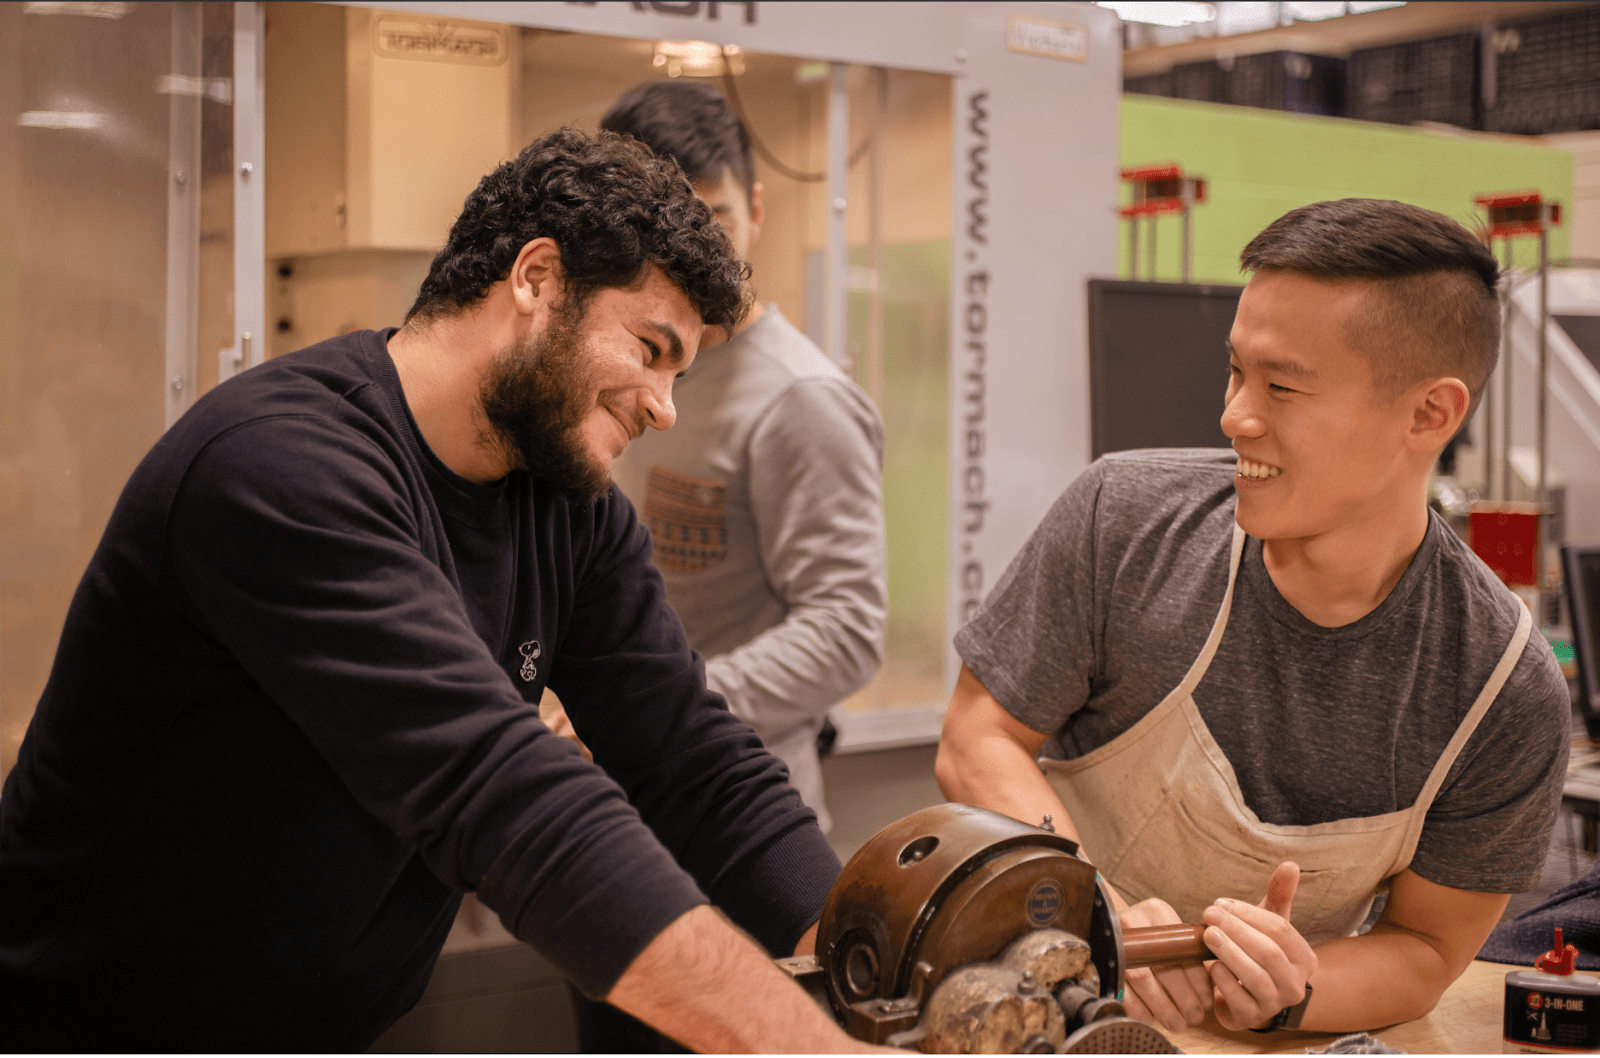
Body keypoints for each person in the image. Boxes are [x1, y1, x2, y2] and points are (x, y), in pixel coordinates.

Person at [0, 129, 869, 1053]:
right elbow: (497, 786)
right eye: (650, 350)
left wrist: (874, 966)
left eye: (679, 373)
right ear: (537, 279)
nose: (664, 405)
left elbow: (694, 763)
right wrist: (810, 1044)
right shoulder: (279, 466)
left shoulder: (567, 504)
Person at [936, 199, 1569, 1036]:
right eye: (1236, 371)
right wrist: (1095, 911)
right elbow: (977, 737)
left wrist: (1294, 993)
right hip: (1026, 1017)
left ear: (1430, 414)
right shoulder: (1122, 521)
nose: (1235, 414)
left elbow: (1426, 948)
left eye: (1282, 386)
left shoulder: (1499, 688)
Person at [599, 80, 889, 835]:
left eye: (715, 220)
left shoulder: (801, 401)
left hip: (737, 807)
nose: (690, 254)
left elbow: (846, 631)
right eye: (661, 229)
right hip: (621, 796)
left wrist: (662, 701)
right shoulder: (622, 366)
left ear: (757, 209)